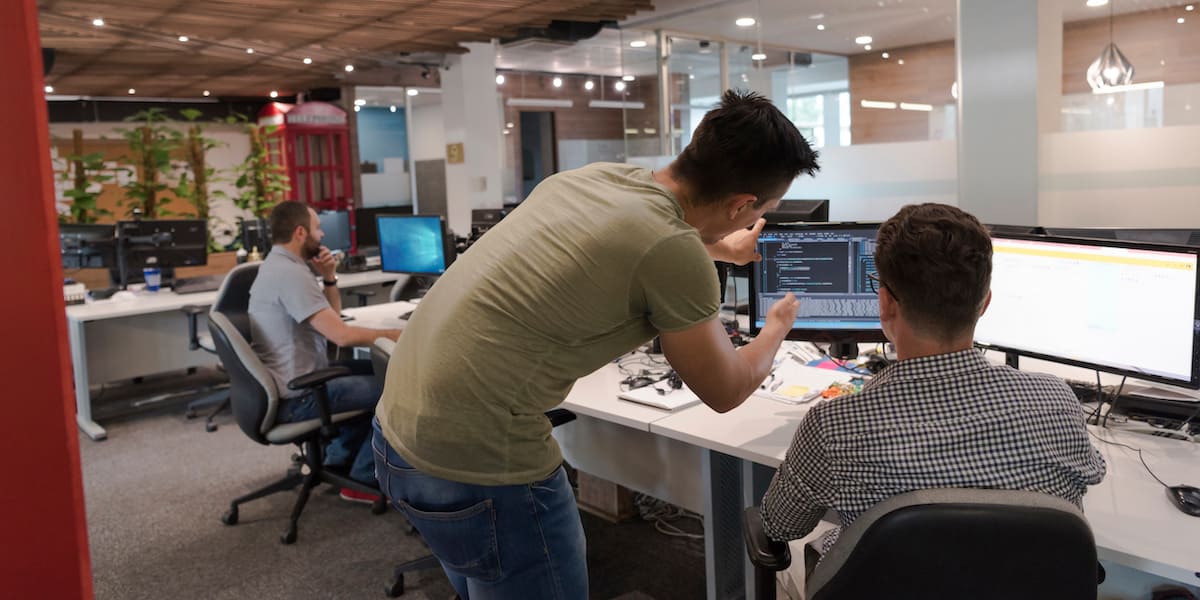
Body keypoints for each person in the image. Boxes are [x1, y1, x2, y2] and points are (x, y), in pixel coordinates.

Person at [372, 90, 820, 598]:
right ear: (743, 204)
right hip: (481, 462)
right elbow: (726, 389)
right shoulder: (674, 251)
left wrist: (720, 246)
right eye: (752, 215)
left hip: (397, 432)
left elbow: (633, 230)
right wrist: (777, 326)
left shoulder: (595, 178)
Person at [759, 203, 1106, 563]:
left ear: (885, 304)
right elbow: (1091, 472)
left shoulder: (833, 427)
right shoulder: (1058, 401)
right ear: (984, 303)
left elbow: (781, 526)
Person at [248, 201, 402, 502]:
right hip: (300, 395)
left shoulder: (282, 266)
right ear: (301, 232)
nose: (323, 235)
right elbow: (341, 336)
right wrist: (397, 334)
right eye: (318, 228)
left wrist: (329, 276)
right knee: (398, 388)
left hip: (298, 381)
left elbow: (332, 317)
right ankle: (361, 477)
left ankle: (337, 459)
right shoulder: (290, 275)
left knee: (379, 369)